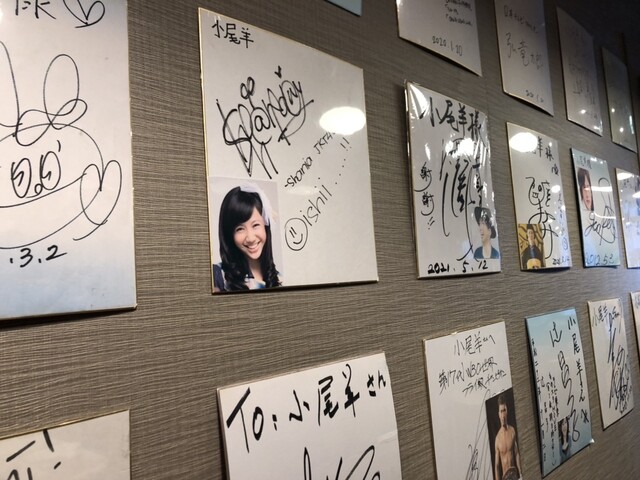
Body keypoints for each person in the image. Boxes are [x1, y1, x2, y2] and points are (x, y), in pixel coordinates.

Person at [213, 185, 281, 292]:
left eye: (255, 225)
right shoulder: (218, 276)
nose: (250, 238)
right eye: (240, 229)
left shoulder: (279, 278)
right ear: (229, 234)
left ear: (265, 226)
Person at [494, 394, 522, 480]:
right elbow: (497, 466)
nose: (503, 415)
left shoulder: (512, 431)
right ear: (498, 414)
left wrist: (521, 474)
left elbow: (516, 453)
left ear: (507, 411)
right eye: (501, 411)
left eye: (504, 410)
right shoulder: (497, 439)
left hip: (515, 475)